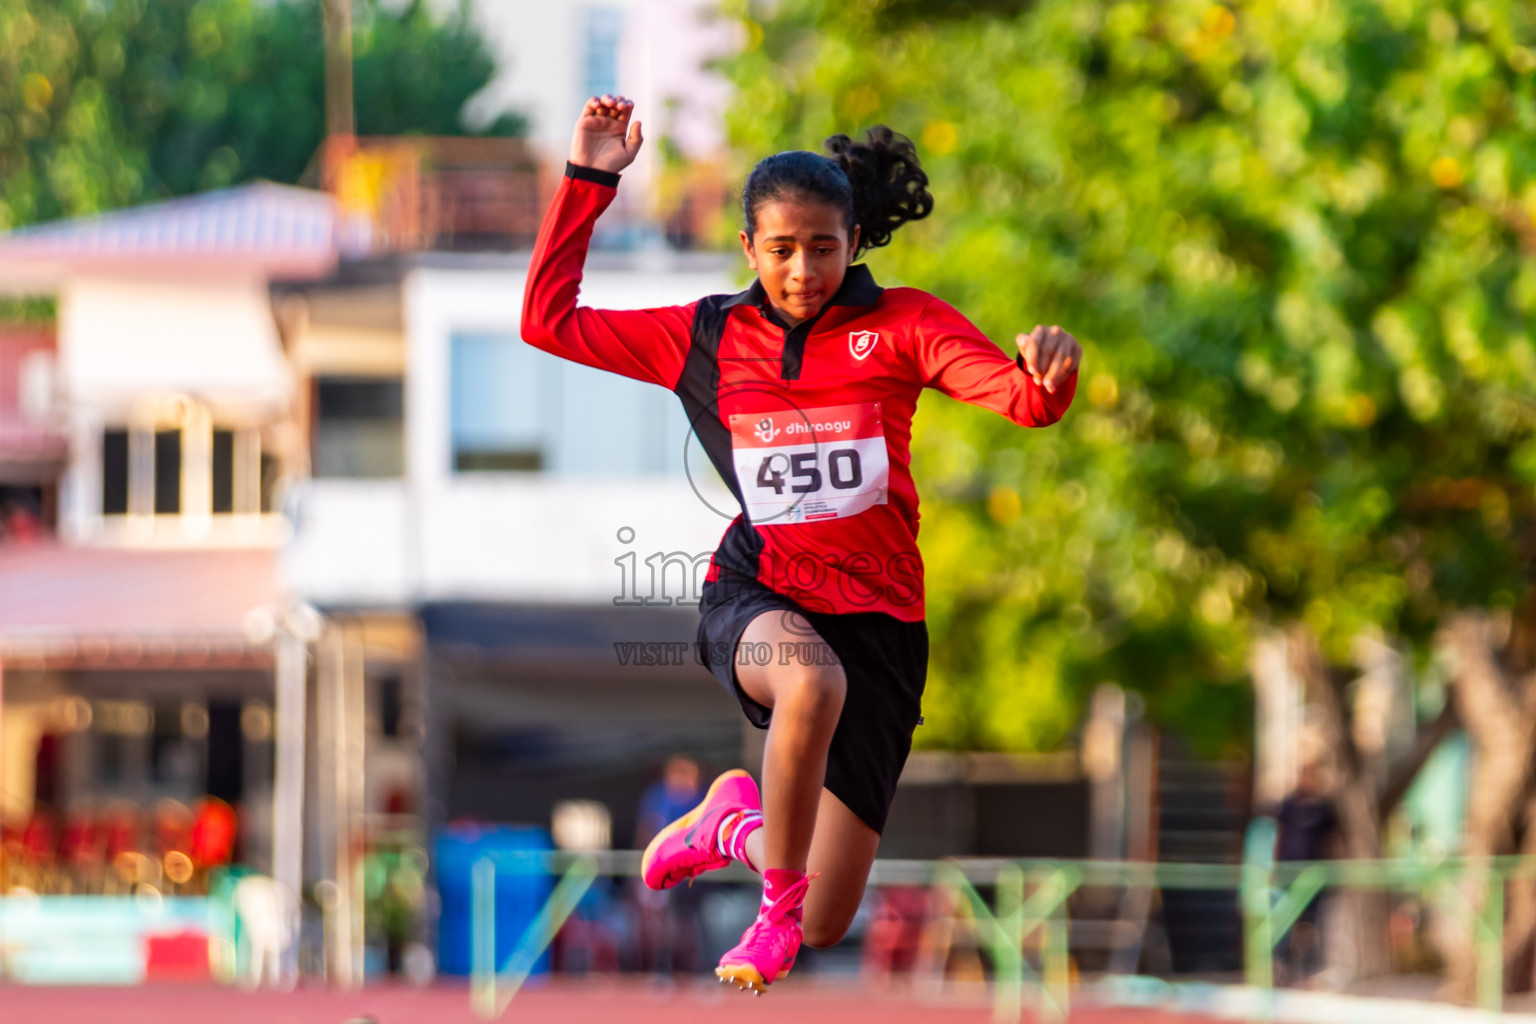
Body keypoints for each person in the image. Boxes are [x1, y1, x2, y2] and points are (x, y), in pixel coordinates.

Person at [521, 94, 1081, 994]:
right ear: (749, 248)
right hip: (762, 590)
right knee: (810, 682)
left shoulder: (904, 324)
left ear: (853, 241)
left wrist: (1047, 380)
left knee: (827, 917)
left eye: (823, 248)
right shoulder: (707, 336)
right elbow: (548, 321)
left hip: (883, 626)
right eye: (781, 250)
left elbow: (1017, 396)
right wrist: (590, 177)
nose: (802, 271)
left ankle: (732, 827)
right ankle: (768, 914)